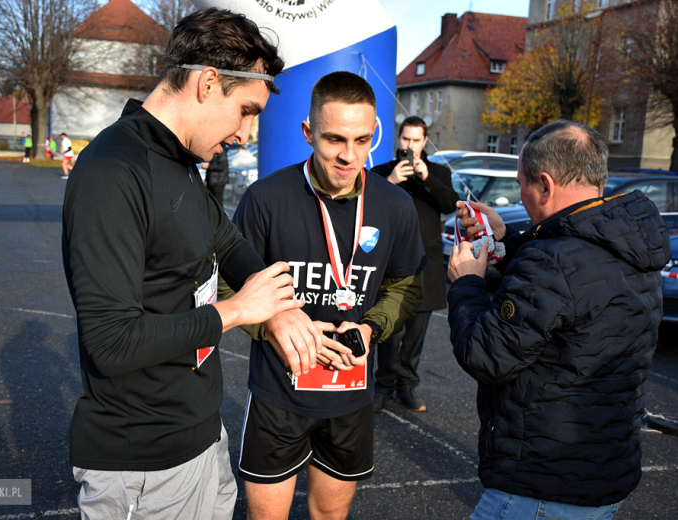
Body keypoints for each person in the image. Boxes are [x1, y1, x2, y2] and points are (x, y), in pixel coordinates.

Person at [62, 8, 324, 520]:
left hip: (202, 437)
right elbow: (110, 343)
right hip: (144, 463)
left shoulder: (179, 162)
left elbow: (227, 242)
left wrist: (278, 308)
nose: (245, 134)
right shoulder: (112, 174)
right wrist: (238, 311)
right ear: (207, 84)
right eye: (247, 111)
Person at [224, 71, 426, 520]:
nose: (348, 156)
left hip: (351, 398)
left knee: (331, 515)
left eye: (361, 140)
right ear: (308, 132)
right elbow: (226, 282)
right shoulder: (266, 199)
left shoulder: (394, 205)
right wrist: (273, 323)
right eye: (334, 139)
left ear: (375, 134)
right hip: (279, 395)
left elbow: (406, 285)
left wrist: (372, 328)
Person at [447, 120, 670, 519]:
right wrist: (504, 241)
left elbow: (484, 354)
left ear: (545, 185)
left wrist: (467, 283)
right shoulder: (629, 244)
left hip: (544, 483)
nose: (520, 194)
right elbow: (568, 292)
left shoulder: (552, 260)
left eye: (522, 184)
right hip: (603, 469)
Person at [371, 116, 458, 413]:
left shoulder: (438, 172)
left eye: (416, 140)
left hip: (426, 265)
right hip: (390, 265)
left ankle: (407, 387)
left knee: (416, 335)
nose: (410, 146)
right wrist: (392, 181)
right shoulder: (381, 172)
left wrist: (426, 177)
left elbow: (450, 204)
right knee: (388, 333)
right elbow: (366, 205)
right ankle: (382, 387)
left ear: (425, 142)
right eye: (406, 139)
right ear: (398, 139)